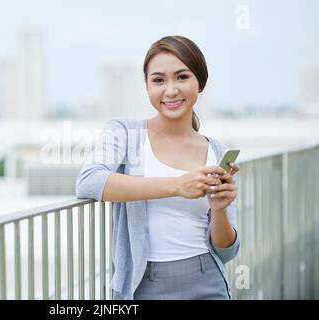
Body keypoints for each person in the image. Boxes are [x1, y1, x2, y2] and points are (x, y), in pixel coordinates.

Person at [75, 35, 240, 300]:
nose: (171, 90)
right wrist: (178, 186)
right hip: (143, 283)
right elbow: (89, 181)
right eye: (159, 80)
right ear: (147, 86)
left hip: (207, 280)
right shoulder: (125, 133)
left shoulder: (216, 150)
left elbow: (226, 251)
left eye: (182, 77)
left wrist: (219, 210)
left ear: (200, 82)